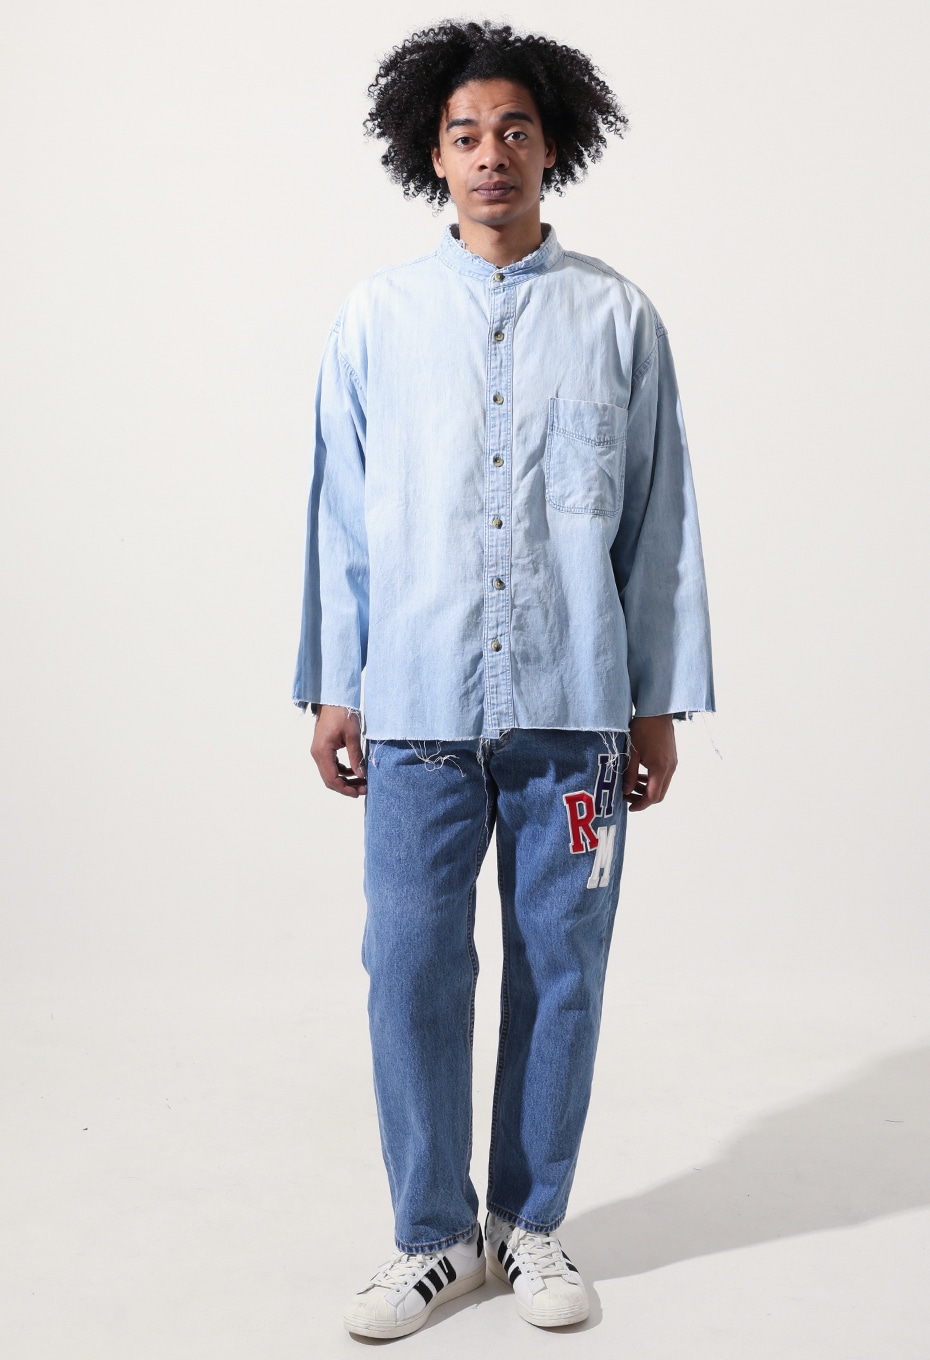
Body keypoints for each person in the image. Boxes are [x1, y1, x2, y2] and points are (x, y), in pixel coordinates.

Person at [293, 19, 715, 1340]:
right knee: (411, 966)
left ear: (553, 147)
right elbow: (341, 520)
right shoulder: (376, 319)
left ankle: (529, 1227)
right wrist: (336, 683)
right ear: (431, 153)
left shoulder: (617, 318)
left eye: (515, 131)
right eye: (466, 134)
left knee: (561, 969)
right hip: (415, 708)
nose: (492, 155)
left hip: (575, 713)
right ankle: (434, 1237)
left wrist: (655, 702)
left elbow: (657, 522)